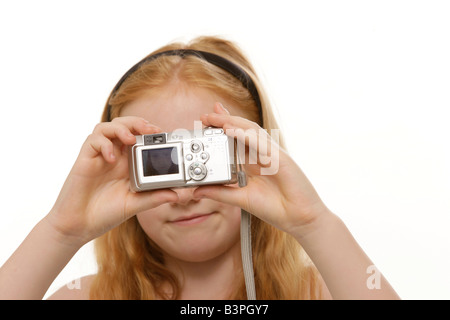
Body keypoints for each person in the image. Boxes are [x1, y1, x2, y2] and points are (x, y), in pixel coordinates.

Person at [0, 36, 400, 300]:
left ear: (256, 155)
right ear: (122, 170)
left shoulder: (322, 291)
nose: (186, 193)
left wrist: (314, 223)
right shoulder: (84, 296)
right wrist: (60, 231)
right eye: (159, 165)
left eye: (209, 158)